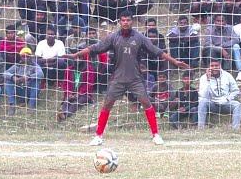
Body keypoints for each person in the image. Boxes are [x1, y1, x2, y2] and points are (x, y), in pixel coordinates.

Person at [64, 10, 189, 146]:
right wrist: (76, 55)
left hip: (135, 79)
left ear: (132, 21)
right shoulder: (113, 37)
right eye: (123, 20)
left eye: (128, 20)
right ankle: (98, 136)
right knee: (107, 104)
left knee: (146, 103)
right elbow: (95, 47)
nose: (125, 22)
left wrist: (175, 62)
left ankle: (155, 135)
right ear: (119, 22)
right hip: (118, 79)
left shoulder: (140, 38)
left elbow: (157, 51)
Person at [198, 58, 241, 129]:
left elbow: (236, 90)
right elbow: (203, 95)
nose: (214, 67)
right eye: (212, 66)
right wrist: (208, 79)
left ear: (220, 66)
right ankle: (201, 128)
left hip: (225, 103)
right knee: (202, 102)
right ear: (208, 67)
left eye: (216, 65)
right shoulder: (203, 78)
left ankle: (235, 129)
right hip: (212, 104)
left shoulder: (227, 75)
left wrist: (227, 99)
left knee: (237, 105)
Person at [3, 47, 44, 113]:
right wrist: (13, 77)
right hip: (19, 90)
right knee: (8, 81)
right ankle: (12, 104)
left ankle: (31, 105)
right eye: (23, 56)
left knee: (36, 81)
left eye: (27, 56)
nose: (25, 58)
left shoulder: (35, 65)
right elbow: (5, 73)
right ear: (20, 57)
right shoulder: (17, 66)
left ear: (31, 57)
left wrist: (29, 77)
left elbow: (41, 74)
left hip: (30, 90)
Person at [56, 54, 95, 122]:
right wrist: (69, 93)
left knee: (76, 103)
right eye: (76, 58)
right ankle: (63, 113)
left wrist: (79, 94)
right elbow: (65, 84)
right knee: (66, 101)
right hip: (71, 93)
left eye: (80, 58)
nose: (77, 60)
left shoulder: (89, 69)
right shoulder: (69, 69)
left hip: (84, 94)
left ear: (84, 59)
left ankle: (65, 115)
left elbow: (89, 84)